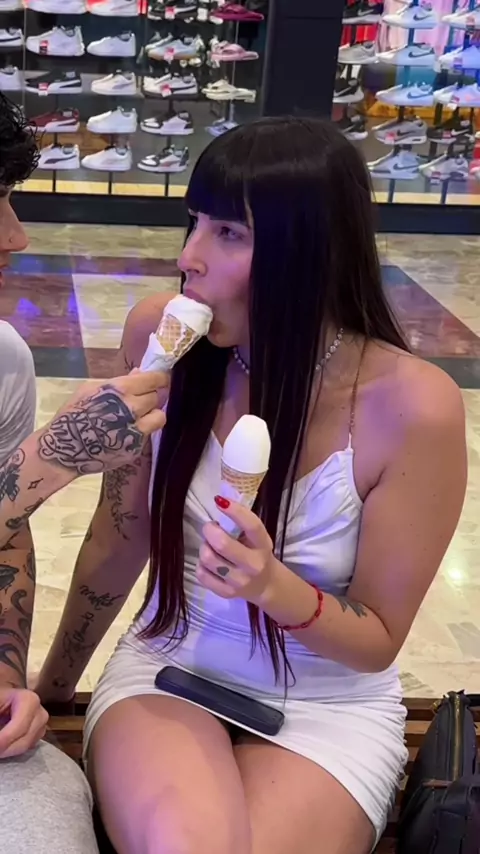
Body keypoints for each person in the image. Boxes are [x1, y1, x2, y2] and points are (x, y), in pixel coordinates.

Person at [35, 117, 467, 854]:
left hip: (329, 703)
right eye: (195, 222)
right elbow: (120, 537)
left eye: (229, 233)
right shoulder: (160, 341)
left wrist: (272, 585)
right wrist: (50, 693)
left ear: (313, 251)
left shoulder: (413, 405)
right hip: (169, 665)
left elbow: (376, 641)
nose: (189, 257)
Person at [0, 92, 167, 854]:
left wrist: (11, 680)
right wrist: (46, 461)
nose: (16, 235)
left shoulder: (6, 360)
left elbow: (7, 540)